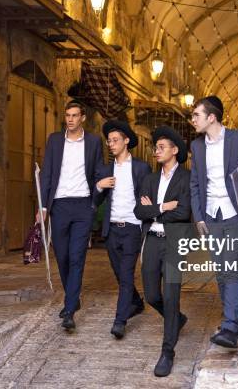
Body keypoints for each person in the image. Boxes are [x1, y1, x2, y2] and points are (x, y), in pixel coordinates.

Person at [189, 96, 238, 349]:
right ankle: (236, 323)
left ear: (211, 117)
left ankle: (229, 327)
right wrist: (199, 216)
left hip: (236, 214)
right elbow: (195, 184)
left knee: (232, 267)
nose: (192, 120)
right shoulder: (196, 146)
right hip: (212, 216)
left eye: (196, 115)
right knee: (222, 272)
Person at [37, 101, 103, 331]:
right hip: (60, 205)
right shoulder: (55, 140)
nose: (71, 119)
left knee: (77, 257)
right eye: (68, 115)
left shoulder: (94, 142)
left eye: (75, 115)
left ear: (83, 117)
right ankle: (73, 297)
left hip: (83, 205)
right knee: (62, 256)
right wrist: (43, 206)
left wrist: (95, 202)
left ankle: (70, 309)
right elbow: (46, 173)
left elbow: (98, 172)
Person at [134, 126, 191, 377]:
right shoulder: (149, 179)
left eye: (161, 147)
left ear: (175, 150)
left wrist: (155, 209)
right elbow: (139, 211)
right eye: (155, 147)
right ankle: (176, 318)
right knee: (151, 296)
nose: (156, 151)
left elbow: (184, 212)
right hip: (153, 241)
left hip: (174, 242)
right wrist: (165, 206)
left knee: (170, 295)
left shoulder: (187, 178)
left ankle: (167, 351)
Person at [94, 120, 151, 339]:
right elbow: (96, 199)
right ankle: (136, 302)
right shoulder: (105, 170)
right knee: (119, 273)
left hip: (132, 228)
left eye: (115, 140)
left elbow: (148, 195)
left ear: (126, 141)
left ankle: (120, 320)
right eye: (109, 141)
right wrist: (100, 186)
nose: (111, 144)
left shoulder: (141, 168)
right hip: (112, 229)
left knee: (126, 274)